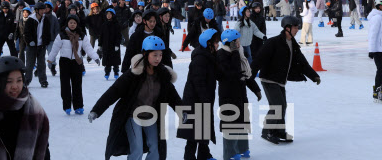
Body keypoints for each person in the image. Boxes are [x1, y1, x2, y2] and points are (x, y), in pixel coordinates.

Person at [88, 36, 183, 160]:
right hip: (133, 116)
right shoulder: (134, 74)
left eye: (160, 55)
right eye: (154, 55)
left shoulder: (163, 75)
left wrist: (182, 111)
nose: (158, 58)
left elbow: (173, 96)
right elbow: (113, 92)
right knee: (137, 149)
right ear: (145, 54)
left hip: (152, 117)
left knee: (155, 148)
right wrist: (96, 110)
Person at [251, 15, 321, 144]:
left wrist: (313, 75)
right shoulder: (273, 42)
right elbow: (259, 59)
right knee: (278, 106)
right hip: (269, 79)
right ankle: (267, 131)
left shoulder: (292, 44)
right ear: (287, 28)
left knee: (282, 106)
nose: (297, 29)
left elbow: (302, 62)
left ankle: (279, 131)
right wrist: (250, 77)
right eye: (295, 27)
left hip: (280, 80)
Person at [0, 57, 50, 160]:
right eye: (9, 81)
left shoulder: (33, 108)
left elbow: (43, 148)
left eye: (19, 80)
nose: (15, 86)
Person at [217, 28, 261, 160]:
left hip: (240, 93)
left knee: (242, 121)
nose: (239, 43)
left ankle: (242, 148)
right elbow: (233, 73)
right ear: (229, 43)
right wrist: (235, 53)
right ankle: (229, 152)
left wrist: (256, 89)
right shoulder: (221, 55)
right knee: (230, 123)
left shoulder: (240, 53)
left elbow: (246, 75)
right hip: (228, 94)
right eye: (236, 41)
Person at [177, 28, 220, 160]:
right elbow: (198, 81)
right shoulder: (200, 59)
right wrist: (204, 99)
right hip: (195, 99)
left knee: (203, 128)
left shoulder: (210, 55)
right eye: (216, 42)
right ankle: (189, 157)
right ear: (208, 43)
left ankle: (204, 154)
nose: (218, 44)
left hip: (203, 98)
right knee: (194, 132)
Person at [48, 14, 99, 115]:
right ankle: (67, 106)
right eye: (70, 22)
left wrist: (95, 57)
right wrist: (50, 60)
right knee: (65, 85)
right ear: (67, 23)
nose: (72, 24)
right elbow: (55, 49)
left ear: (77, 24)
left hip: (77, 62)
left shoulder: (82, 35)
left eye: (74, 23)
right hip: (65, 62)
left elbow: (88, 48)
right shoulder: (62, 35)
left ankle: (78, 106)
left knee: (77, 85)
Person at [24, 2, 51, 88]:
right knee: (30, 64)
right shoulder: (30, 20)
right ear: (36, 10)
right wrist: (30, 41)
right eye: (41, 10)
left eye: (44, 9)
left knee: (41, 64)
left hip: (41, 45)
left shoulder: (45, 19)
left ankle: (43, 80)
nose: (43, 11)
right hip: (32, 46)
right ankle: (26, 80)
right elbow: (26, 33)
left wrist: (46, 42)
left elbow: (47, 32)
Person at [100, 7, 123, 80]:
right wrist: (100, 44)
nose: (108, 16)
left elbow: (119, 36)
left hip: (114, 46)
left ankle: (116, 72)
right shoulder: (104, 25)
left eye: (110, 14)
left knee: (115, 60)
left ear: (113, 15)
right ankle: (107, 72)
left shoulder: (116, 24)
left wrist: (117, 44)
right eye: (107, 14)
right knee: (107, 61)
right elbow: (101, 35)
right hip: (106, 45)